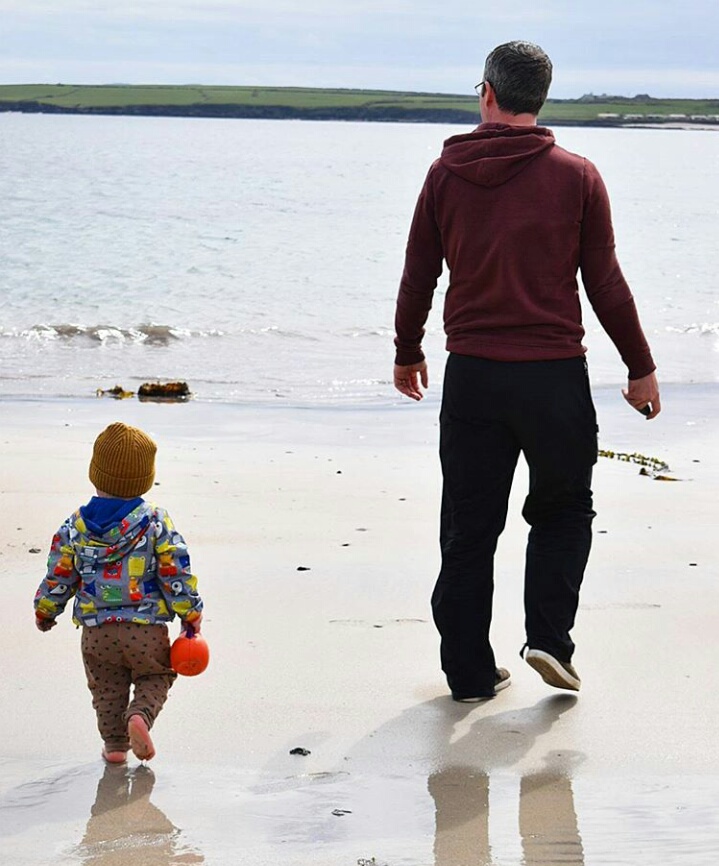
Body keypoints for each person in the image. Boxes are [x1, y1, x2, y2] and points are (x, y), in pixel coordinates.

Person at [392, 41, 660, 702]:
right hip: (553, 378)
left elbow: (419, 274)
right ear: (539, 98)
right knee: (564, 510)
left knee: (468, 528)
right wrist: (640, 366)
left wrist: (407, 349)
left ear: (487, 93)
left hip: (473, 376)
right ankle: (548, 640)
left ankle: (468, 673)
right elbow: (604, 282)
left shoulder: (444, 174)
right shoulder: (577, 176)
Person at [34, 422, 204, 761]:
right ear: (146, 479)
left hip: (97, 633)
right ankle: (140, 715)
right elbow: (174, 569)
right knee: (156, 674)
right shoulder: (155, 521)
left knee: (106, 690)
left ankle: (114, 746)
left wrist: (45, 610)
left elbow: (60, 574)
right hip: (146, 629)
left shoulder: (74, 526)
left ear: (94, 473)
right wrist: (190, 612)